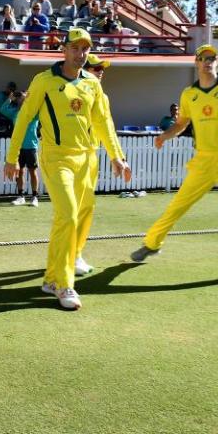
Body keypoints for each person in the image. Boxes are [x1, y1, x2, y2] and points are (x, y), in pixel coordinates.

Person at [4, 28, 131, 310]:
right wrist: (12, 158)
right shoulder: (44, 81)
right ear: (64, 49)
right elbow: (25, 118)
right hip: (56, 157)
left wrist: (117, 156)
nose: (81, 53)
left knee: (78, 216)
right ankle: (64, 284)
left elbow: (103, 122)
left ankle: (50, 278)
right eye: (75, 48)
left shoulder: (92, 84)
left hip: (87, 158)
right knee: (68, 216)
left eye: (85, 48)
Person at [130, 44, 218, 283]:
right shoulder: (189, 94)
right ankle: (152, 244)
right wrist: (165, 135)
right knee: (177, 205)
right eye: (203, 58)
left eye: (212, 58)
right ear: (196, 62)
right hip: (203, 160)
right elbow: (182, 123)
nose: (207, 62)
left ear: (217, 61)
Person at [73, 53, 117, 275]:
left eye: (102, 69)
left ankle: (76, 253)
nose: (101, 72)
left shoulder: (103, 96)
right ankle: (70, 255)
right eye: (96, 68)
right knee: (72, 208)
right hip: (71, 156)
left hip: (92, 155)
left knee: (87, 207)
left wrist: (116, 156)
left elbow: (106, 127)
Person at [7, 91, 40, 208]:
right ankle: (21, 196)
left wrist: (30, 97)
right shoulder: (15, 113)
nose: (22, 100)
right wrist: (9, 99)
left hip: (31, 146)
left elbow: (42, 107)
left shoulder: (35, 114)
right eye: (20, 98)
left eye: (24, 98)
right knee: (19, 172)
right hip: (18, 148)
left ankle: (35, 197)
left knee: (33, 171)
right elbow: (3, 110)